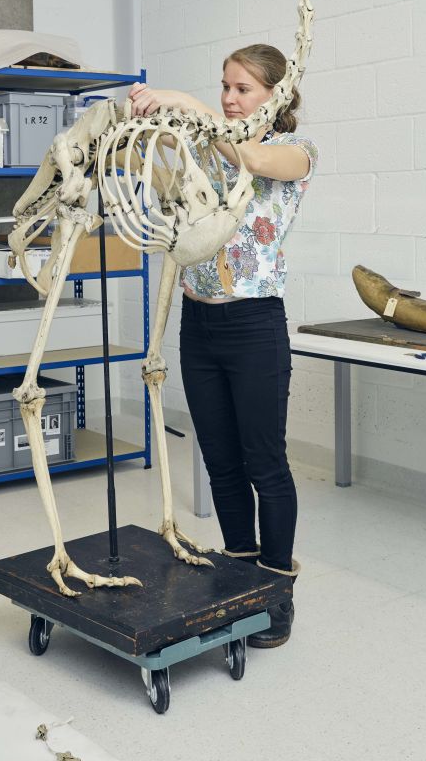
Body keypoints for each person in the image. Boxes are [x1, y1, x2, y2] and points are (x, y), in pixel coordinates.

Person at [128, 43, 317, 648]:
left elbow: (256, 162)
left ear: (275, 96)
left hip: (255, 325)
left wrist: (183, 103)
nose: (230, 99)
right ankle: (240, 573)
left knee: (265, 461)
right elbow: (172, 175)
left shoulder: (296, 153)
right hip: (199, 323)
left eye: (243, 89)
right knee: (221, 460)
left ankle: (277, 590)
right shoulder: (209, 147)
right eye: (224, 87)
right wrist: (150, 125)